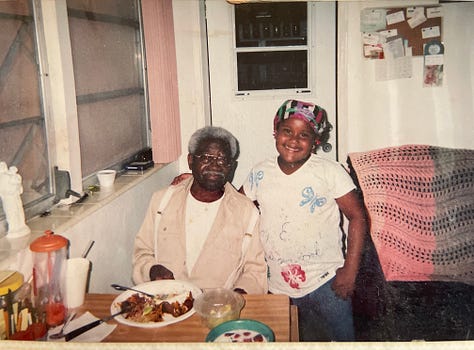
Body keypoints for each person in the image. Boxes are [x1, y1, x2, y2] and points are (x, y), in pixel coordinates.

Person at [240, 99, 367, 341]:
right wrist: (196, 183)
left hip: (326, 282)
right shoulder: (260, 172)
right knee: (291, 340)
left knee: (341, 342)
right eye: (287, 131)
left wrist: (350, 271)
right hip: (276, 285)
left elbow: (358, 216)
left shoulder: (330, 172)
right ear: (276, 132)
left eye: (304, 135)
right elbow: (236, 207)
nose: (294, 140)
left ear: (316, 141)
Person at [132, 126, 268, 294]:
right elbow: (141, 253)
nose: (214, 166)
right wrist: (151, 270)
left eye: (222, 160)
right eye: (206, 157)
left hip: (218, 306)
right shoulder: (162, 201)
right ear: (190, 161)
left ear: (231, 166)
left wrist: (238, 295)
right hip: (166, 301)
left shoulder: (247, 212)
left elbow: (255, 271)